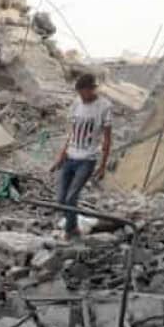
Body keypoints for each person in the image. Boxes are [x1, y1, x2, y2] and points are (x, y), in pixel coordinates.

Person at [49, 73, 112, 236]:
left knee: (71, 198)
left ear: (92, 89)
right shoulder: (77, 103)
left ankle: (72, 231)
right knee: (61, 200)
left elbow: (107, 139)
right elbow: (72, 132)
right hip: (70, 157)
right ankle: (74, 225)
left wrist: (103, 165)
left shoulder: (104, 106)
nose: (81, 97)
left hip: (87, 160)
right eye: (79, 93)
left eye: (84, 92)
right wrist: (61, 156)